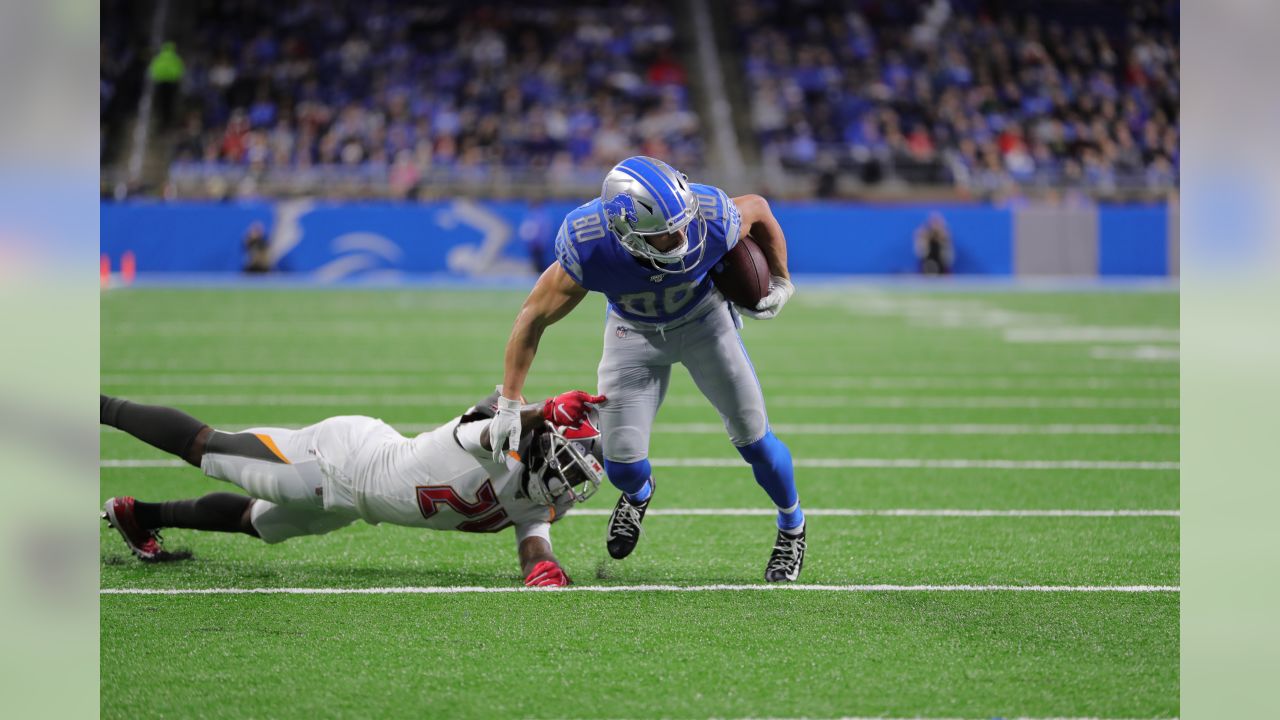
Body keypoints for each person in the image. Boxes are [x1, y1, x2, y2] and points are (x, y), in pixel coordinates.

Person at [490, 155, 806, 582]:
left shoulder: (708, 214)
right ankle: (639, 494)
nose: (681, 236)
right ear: (625, 233)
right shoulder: (591, 244)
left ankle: (792, 525)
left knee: (755, 441)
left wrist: (783, 281)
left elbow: (759, 209)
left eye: (681, 223)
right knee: (620, 465)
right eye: (664, 233)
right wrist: (509, 402)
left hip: (705, 323)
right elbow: (533, 316)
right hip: (633, 333)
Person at [100, 388, 607, 587]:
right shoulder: (495, 441)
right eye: (569, 467)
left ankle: (137, 514)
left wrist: (544, 569)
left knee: (256, 523)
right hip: (338, 463)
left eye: (578, 477)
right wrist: (543, 410)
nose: (568, 484)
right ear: (544, 445)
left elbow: (533, 541)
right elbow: (487, 426)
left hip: (355, 503)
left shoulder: (541, 496)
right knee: (208, 448)